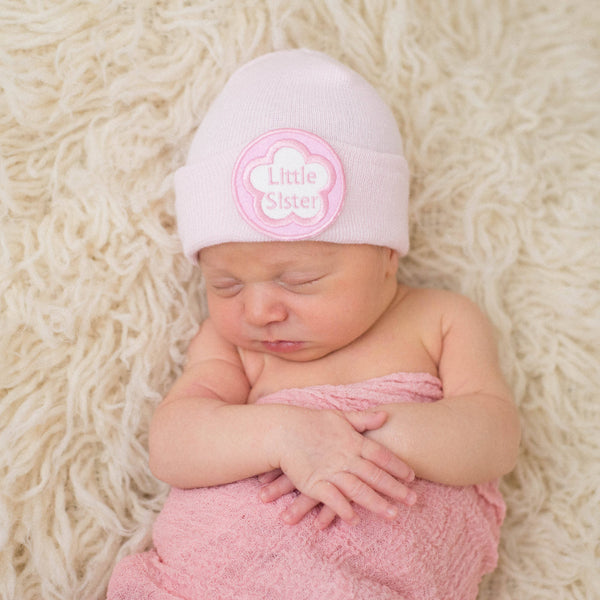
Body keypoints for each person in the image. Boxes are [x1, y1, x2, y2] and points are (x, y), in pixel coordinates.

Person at [107, 49, 520, 600]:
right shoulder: (234, 346)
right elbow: (174, 445)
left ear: (385, 256)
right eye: (225, 285)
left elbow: (494, 438)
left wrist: (360, 438)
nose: (258, 312)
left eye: (297, 281)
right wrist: (285, 433)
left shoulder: (439, 319)